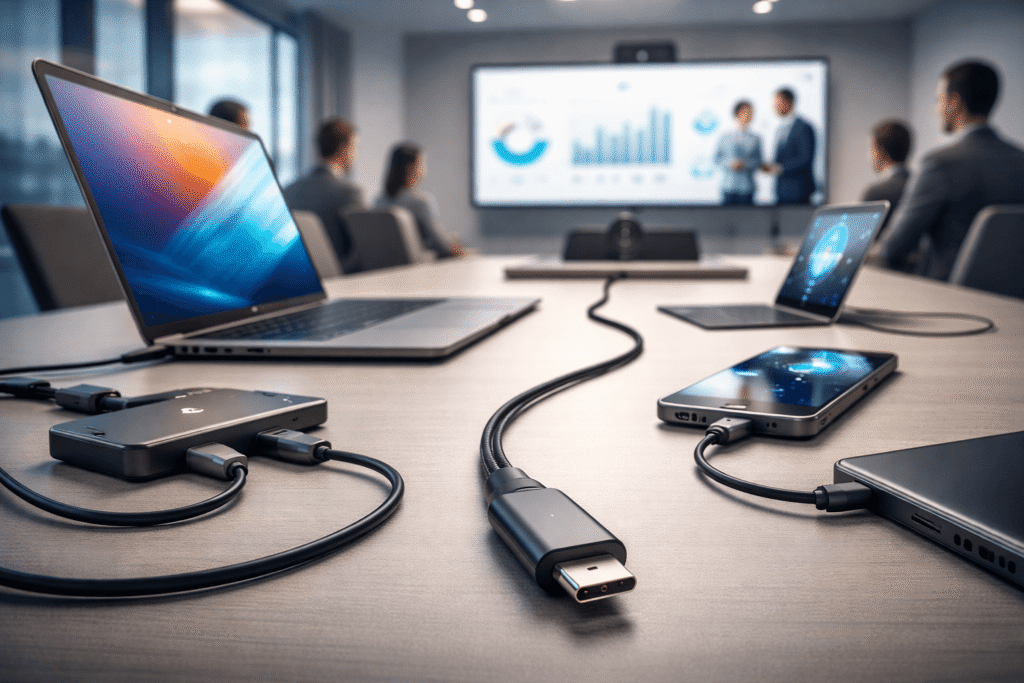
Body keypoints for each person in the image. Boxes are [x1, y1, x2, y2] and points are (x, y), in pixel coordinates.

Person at [875, 60, 1024, 280]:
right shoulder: (1020, 160)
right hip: (1011, 295)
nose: (937, 108)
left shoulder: (939, 163)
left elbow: (893, 247)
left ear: (954, 102)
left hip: (945, 294)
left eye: (938, 100)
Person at [283, 118, 366, 272]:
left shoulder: (288, 190)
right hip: (338, 281)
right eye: (355, 147)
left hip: (296, 276)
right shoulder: (349, 192)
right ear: (346, 147)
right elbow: (363, 253)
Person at [375, 142, 464, 258]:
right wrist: (455, 246)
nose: (424, 168)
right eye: (422, 162)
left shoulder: (378, 202)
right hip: (421, 266)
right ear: (412, 167)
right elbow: (442, 247)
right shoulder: (421, 202)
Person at [761, 88, 816, 204]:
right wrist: (770, 167)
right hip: (781, 190)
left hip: (799, 191)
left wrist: (780, 168)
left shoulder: (803, 127)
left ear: (788, 102)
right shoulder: (780, 128)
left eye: (777, 103)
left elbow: (805, 159)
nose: (774, 107)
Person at [862, 119, 912, 237]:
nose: (868, 155)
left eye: (870, 149)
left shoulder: (875, 193)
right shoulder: (921, 184)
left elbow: (861, 240)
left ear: (877, 150)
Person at [712, 100, 763, 206]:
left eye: (751, 114)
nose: (749, 116)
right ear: (737, 113)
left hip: (747, 187)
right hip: (728, 186)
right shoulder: (724, 137)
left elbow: (758, 161)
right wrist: (730, 164)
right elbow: (716, 159)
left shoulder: (756, 139)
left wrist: (745, 164)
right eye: (746, 113)